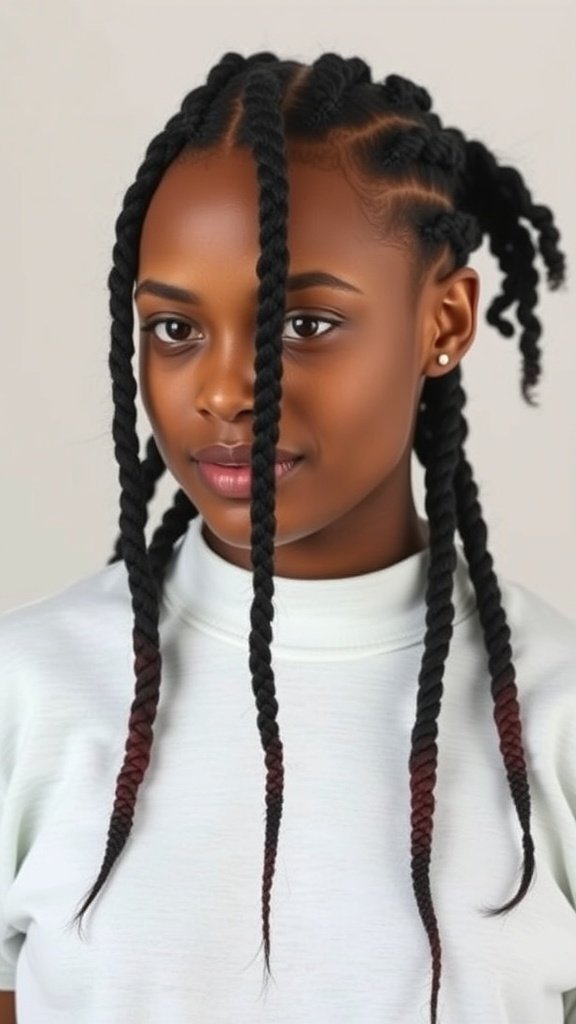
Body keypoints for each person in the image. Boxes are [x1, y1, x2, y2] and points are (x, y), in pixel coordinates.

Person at [0, 49, 573, 1024]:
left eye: (304, 321)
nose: (225, 391)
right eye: (175, 330)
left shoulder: (555, 712)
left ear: (445, 319)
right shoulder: (28, 692)